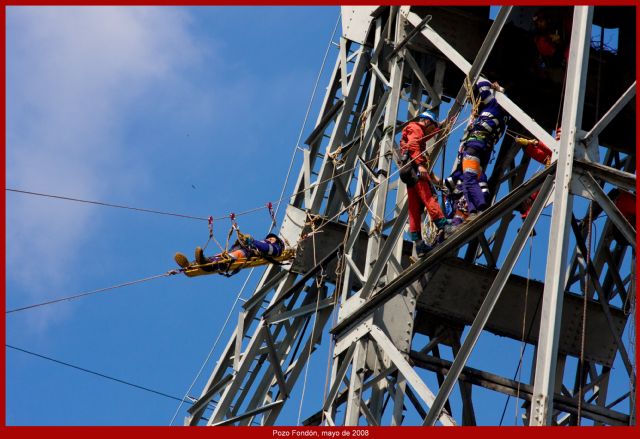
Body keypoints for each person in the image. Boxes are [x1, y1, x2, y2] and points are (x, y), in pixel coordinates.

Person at [453, 79, 509, 222]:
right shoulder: (503, 119)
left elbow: (481, 84)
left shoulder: (493, 106)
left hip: (474, 145)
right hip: (484, 149)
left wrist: (493, 86)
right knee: (470, 178)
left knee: (469, 178)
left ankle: (479, 208)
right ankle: (473, 210)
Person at [399, 110, 449, 257]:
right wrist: (420, 165)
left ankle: (419, 245)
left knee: (414, 208)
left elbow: (424, 136)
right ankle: (443, 226)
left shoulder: (415, 130)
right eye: (432, 127)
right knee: (428, 197)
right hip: (414, 168)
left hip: (407, 171)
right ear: (426, 122)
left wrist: (440, 127)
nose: (432, 131)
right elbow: (415, 144)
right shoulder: (415, 128)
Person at [174, 233, 285, 275]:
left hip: (248, 254)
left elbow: (268, 249)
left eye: (273, 238)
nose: (270, 239)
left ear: (278, 243)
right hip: (243, 249)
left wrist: (252, 241)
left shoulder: (276, 248)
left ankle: (209, 264)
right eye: (269, 238)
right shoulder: (260, 242)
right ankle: (191, 264)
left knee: (234, 255)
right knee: (221, 256)